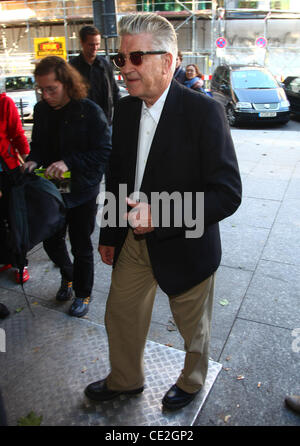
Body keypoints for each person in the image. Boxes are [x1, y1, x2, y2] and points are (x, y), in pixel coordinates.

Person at [84, 13, 242, 410]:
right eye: (121, 59)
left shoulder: (204, 113)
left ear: (169, 60)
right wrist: (109, 233)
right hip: (133, 242)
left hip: (187, 243)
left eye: (136, 58)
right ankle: (125, 379)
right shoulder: (124, 111)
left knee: (194, 330)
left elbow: (227, 194)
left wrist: (164, 215)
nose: (126, 68)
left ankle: (191, 383)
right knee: (119, 315)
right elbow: (117, 177)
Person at [23, 56, 111, 318]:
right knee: (50, 240)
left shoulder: (89, 110)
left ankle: (83, 293)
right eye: (42, 89)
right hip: (53, 186)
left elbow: (104, 151)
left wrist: (69, 162)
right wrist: (32, 160)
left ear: (67, 83)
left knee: (81, 244)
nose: (46, 95)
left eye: (52, 89)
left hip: (84, 188)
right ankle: (68, 275)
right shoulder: (41, 111)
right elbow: (37, 144)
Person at [0, 89, 31, 286]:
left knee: (14, 218)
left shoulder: (5, 103)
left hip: (7, 171)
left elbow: (18, 134)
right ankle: (5, 257)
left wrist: (28, 161)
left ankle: (21, 264)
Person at [69, 25, 121, 126]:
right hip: (80, 123)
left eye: (97, 44)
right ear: (82, 43)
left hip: (104, 121)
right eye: (91, 44)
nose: (95, 48)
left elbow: (114, 91)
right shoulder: (72, 67)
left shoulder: (105, 65)